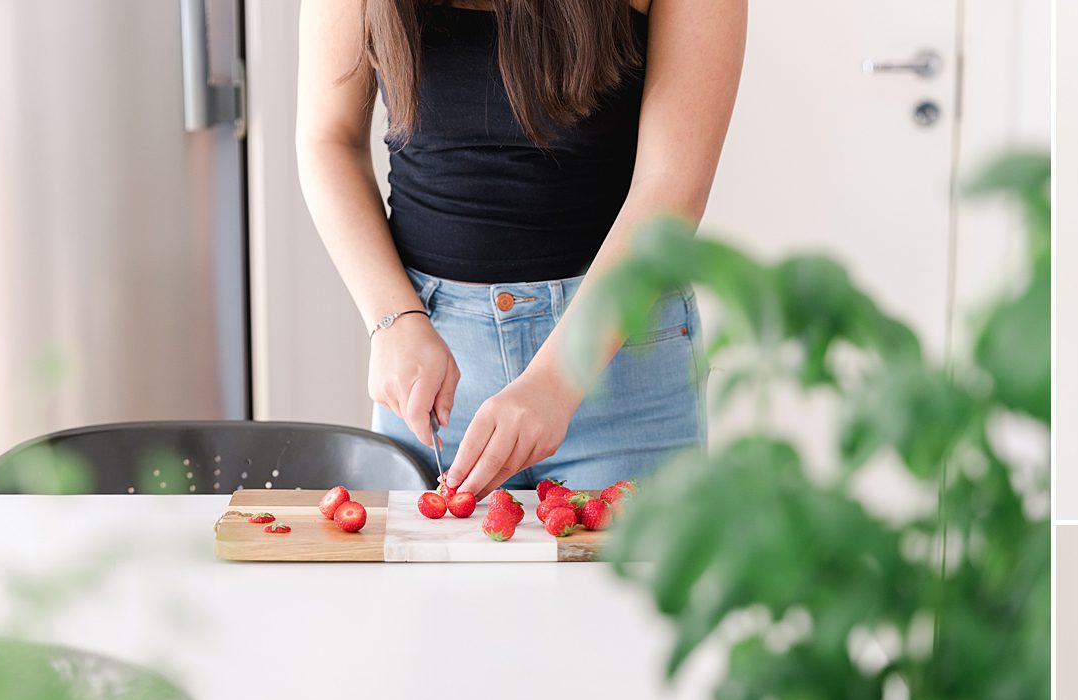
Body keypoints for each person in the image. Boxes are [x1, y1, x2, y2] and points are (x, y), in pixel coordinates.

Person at [297, 0, 746, 498]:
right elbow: (328, 138)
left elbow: (672, 186)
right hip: (430, 364)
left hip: (618, 360)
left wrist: (557, 382)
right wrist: (392, 319)